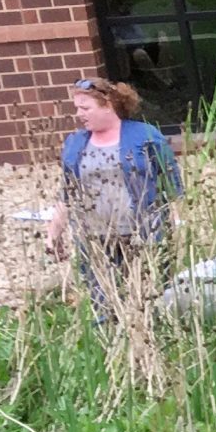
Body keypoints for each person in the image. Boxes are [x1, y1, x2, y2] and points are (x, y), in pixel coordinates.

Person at [46, 76, 180, 317]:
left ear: (107, 104)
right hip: (96, 238)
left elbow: (172, 188)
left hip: (142, 235)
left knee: (149, 301)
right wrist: (53, 234)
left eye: (85, 108)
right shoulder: (75, 143)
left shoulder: (146, 136)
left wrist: (176, 226)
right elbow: (68, 193)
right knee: (103, 305)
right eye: (77, 108)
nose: (79, 114)